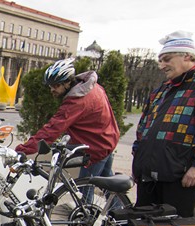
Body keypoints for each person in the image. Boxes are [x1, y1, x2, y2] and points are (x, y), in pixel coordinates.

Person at [133, 31, 195, 217]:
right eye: (160, 60)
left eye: (167, 59)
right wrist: (138, 162)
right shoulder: (162, 90)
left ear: (186, 55)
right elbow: (143, 129)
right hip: (148, 178)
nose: (161, 65)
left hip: (179, 179)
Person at [15, 58, 120, 189]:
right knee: (109, 185)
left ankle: (86, 209)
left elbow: (52, 129)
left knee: (84, 190)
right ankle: (119, 207)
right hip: (107, 140)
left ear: (68, 81)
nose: (52, 90)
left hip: (96, 147)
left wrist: (22, 150)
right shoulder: (93, 87)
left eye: (56, 85)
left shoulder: (76, 102)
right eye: (50, 86)